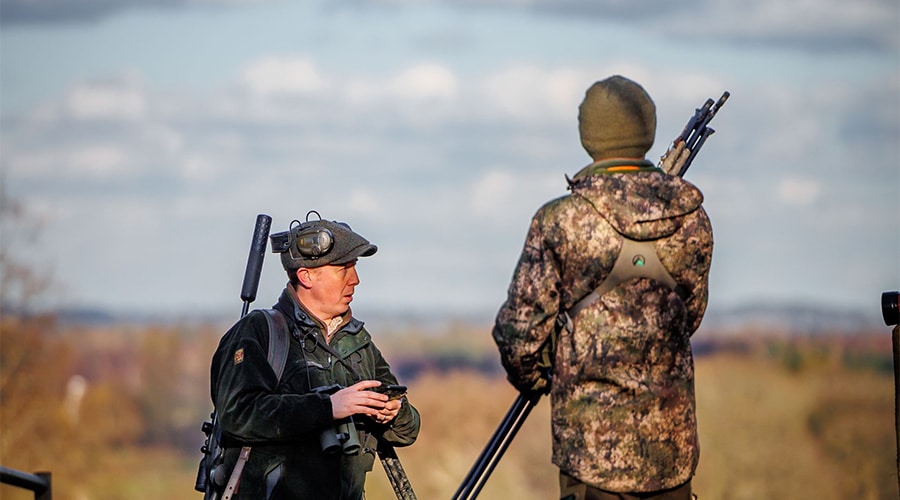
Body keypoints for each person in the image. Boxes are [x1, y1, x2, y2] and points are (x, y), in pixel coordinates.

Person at [492, 75, 713, 500]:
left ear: (588, 137)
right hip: (671, 454)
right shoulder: (693, 219)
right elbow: (690, 316)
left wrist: (546, 376)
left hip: (589, 458)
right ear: (647, 132)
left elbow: (520, 337)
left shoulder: (560, 219)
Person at [210, 212, 420, 499]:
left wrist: (392, 414)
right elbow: (239, 415)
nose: (355, 280)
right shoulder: (259, 332)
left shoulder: (358, 343)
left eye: (354, 267)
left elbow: (407, 432)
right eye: (343, 268)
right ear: (306, 276)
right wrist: (329, 408)